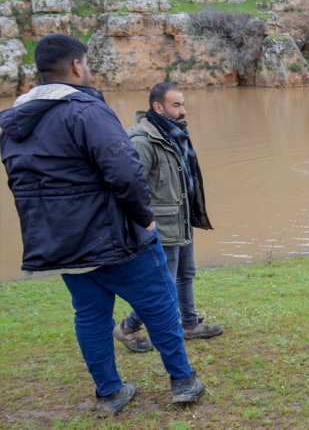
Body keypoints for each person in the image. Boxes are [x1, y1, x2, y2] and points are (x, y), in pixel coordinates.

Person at [0, 34, 204, 416]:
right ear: (77, 66)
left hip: (59, 244)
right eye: (87, 64)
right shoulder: (86, 110)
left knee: (90, 315)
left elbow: (22, 183)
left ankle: (110, 392)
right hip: (113, 239)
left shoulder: (13, 123)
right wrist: (144, 219)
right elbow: (125, 172)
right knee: (159, 303)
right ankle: (182, 381)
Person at [114, 82, 222, 353]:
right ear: (158, 107)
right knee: (164, 283)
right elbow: (130, 186)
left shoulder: (174, 134)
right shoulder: (141, 140)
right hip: (160, 225)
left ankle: (189, 323)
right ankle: (127, 328)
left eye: (183, 104)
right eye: (177, 105)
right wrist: (145, 224)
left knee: (186, 273)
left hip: (181, 218)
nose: (183, 111)